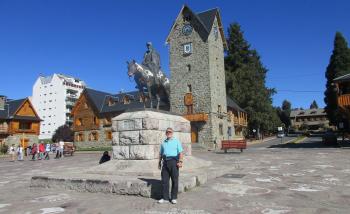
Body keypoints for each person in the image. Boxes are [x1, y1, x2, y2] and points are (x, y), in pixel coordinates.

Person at [158, 127, 183, 204]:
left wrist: (180, 161)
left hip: (174, 162)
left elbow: (180, 152)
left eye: (170, 132)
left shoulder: (176, 141)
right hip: (165, 162)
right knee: (164, 181)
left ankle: (173, 197)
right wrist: (159, 162)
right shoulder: (163, 143)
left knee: (175, 180)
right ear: (166, 133)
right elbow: (161, 153)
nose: (168, 133)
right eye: (167, 132)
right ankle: (165, 198)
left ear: (172, 133)